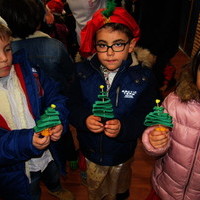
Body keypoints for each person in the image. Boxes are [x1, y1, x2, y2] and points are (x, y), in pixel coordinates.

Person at [69, 3, 158, 199]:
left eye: (118, 44)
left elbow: (145, 114)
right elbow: (72, 105)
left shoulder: (143, 78)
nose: (109, 52)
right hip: (91, 151)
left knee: (119, 190)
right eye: (103, 45)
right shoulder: (81, 72)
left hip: (122, 153)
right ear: (95, 45)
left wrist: (124, 127)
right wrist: (84, 119)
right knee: (96, 191)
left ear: (131, 45)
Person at [0, 0, 78, 176]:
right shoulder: (54, 46)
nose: (4, 58)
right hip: (16, 169)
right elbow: (69, 74)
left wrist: (58, 118)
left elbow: (55, 96)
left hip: (47, 136)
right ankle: (70, 160)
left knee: (53, 164)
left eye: (7, 50)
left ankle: (56, 182)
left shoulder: (25, 67)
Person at [142, 49, 200, 199]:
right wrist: (154, 140)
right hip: (164, 188)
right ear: (195, 71)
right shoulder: (174, 103)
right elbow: (156, 130)